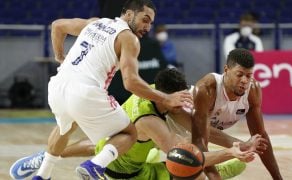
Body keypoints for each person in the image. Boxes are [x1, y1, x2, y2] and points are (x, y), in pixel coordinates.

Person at [10, 1, 193, 180]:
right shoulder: (129, 38)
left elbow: (57, 26)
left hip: (58, 87)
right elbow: (130, 83)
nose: (148, 26)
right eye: (145, 19)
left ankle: (43, 174)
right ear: (129, 14)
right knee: (128, 134)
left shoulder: (95, 22)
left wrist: (60, 56)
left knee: (67, 127)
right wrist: (166, 99)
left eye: (151, 23)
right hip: (85, 92)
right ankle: (95, 166)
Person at [10, 68, 267, 180]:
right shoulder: (151, 121)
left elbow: (202, 130)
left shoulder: (157, 92)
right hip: (129, 175)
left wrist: (241, 143)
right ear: (166, 97)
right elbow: (186, 157)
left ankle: (48, 156)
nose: (182, 105)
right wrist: (232, 152)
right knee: (215, 167)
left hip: (116, 143)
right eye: (177, 101)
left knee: (101, 145)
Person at [191, 48, 282, 179]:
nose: (245, 80)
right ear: (226, 70)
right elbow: (199, 143)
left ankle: (215, 169)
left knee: (244, 157)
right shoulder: (206, 89)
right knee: (191, 168)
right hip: (181, 128)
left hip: (209, 132)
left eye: (249, 75)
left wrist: (278, 178)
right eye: (239, 75)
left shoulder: (253, 90)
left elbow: (260, 137)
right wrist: (215, 178)